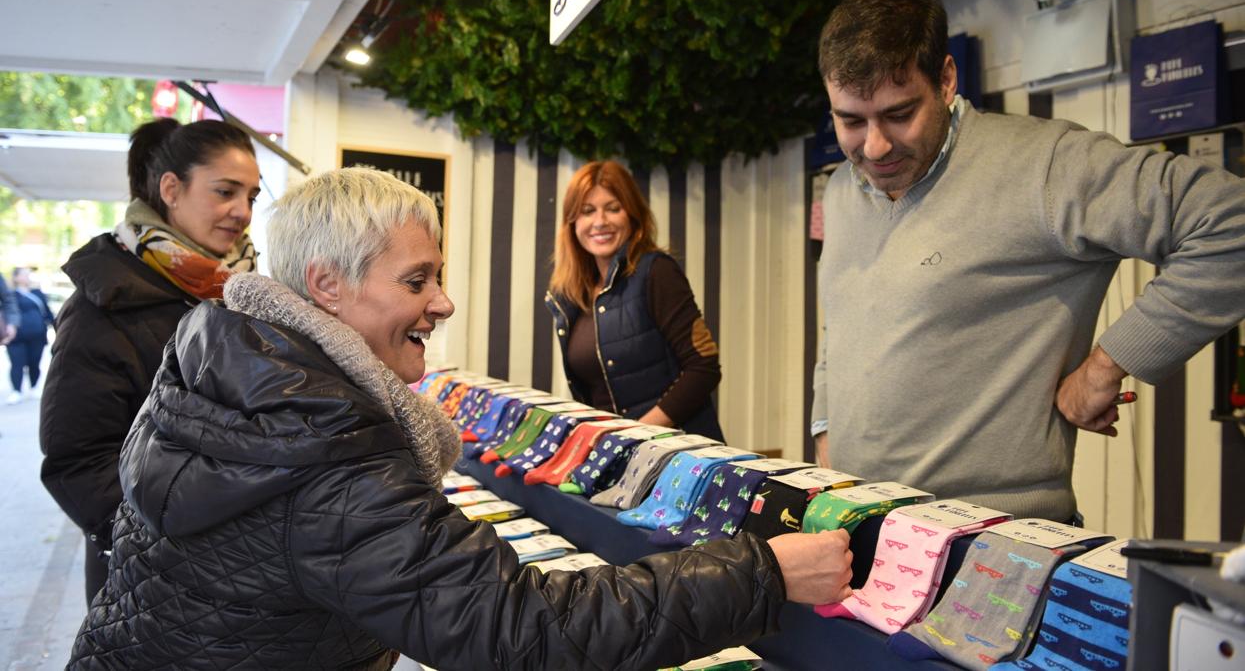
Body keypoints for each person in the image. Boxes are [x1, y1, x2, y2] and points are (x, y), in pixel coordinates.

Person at [68, 168, 854, 670]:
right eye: (417, 281)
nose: (442, 304)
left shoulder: (226, 368)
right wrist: (762, 572)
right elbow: (520, 630)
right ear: (327, 288)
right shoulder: (325, 446)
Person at [809, 0, 1245, 522]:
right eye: (851, 120)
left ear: (946, 80)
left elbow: (1231, 222)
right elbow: (840, 323)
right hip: (856, 523)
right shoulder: (842, 188)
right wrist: (825, 429)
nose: (874, 146)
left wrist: (1108, 365)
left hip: (990, 542)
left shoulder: (1046, 166)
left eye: (899, 114)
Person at [40, 118, 260, 604]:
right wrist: (172, 549)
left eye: (252, 196)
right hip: (154, 582)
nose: (242, 212)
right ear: (171, 189)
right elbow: (78, 462)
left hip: (241, 576)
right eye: (225, 191)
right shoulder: (105, 303)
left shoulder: (239, 293)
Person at [545, 160, 725, 440]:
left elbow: (703, 368)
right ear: (572, 221)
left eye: (613, 208)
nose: (600, 222)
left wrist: (637, 435)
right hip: (615, 454)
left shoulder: (657, 271)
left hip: (675, 455)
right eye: (587, 211)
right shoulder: (568, 295)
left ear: (632, 214)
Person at [5, 267, 55, 404]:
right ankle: (17, 391)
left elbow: (47, 312)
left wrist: (57, 327)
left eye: (28, 275)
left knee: (34, 363)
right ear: (16, 277)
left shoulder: (37, 293)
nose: (28, 277)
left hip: (37, 335)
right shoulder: (9, 295)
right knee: (17, 363)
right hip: (16, 336)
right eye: (25, 275)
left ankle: (34, 387)